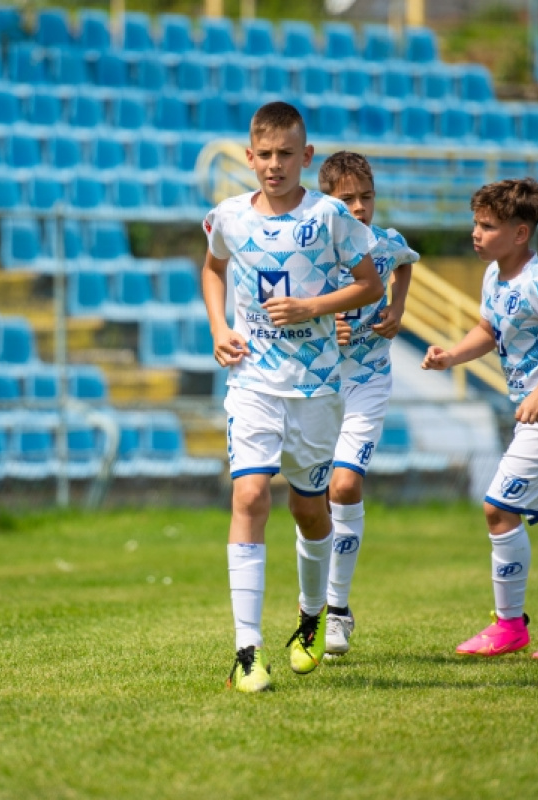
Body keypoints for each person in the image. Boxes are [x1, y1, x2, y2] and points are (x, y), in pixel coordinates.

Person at [201, 101, 383, 692]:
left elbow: (369, 283)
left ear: (306, 157)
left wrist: (312, 307)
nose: (274, 165)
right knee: (250, 496)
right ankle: (246, 652)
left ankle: (311, 616)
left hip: (316, 390)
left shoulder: (331, 215)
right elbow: (212, 268)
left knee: (310, 510)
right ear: (248, 157)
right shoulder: (228, 216)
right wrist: (218, 328)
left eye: (287, 154)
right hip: (253, 383)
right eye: (264, 155)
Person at [422, 177, 538, 659]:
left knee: (497, 508)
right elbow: (489, 328)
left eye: (488, 226)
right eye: (475, 223)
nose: (476, 233)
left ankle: (509, 625)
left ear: (520, 233)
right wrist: (451, 356)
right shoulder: (495, 276)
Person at [317, 151, 418, 656]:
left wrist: (397, 308)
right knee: (310, 503)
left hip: (369, 380)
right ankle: (312, 604)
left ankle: (337, 609)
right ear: (325, 201)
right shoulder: (310, 251)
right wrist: (320, 323)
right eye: (346, 199)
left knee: (346, 483)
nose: (358, 207)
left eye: (366, 197)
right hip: (315, 385)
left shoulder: (387, 243)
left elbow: (404, 265)